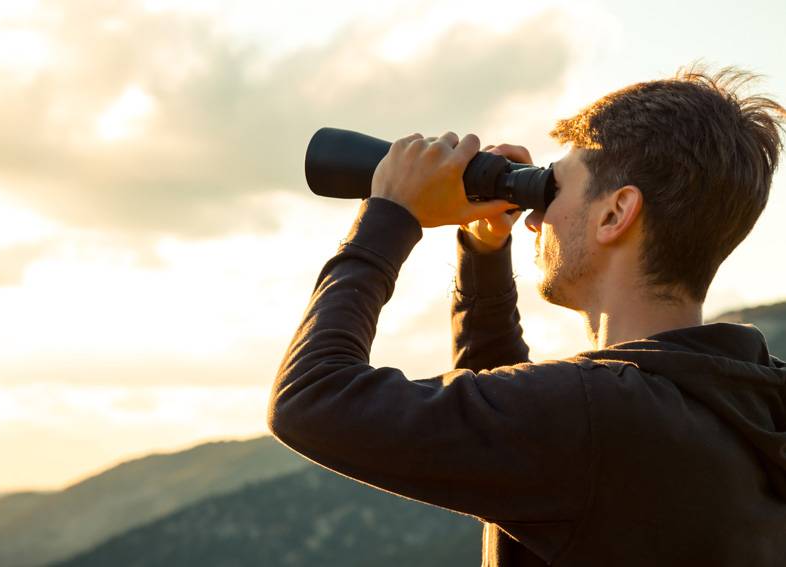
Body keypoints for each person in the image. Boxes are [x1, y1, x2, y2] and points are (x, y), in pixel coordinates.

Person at [267, 64, 786, 565]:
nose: (536, 218)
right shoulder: (750, 400)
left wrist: (389, 215)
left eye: (554, 187)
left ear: (614, 214)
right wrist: (484, 250)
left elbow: (311, 398)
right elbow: (517, 434)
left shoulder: (599, 414)